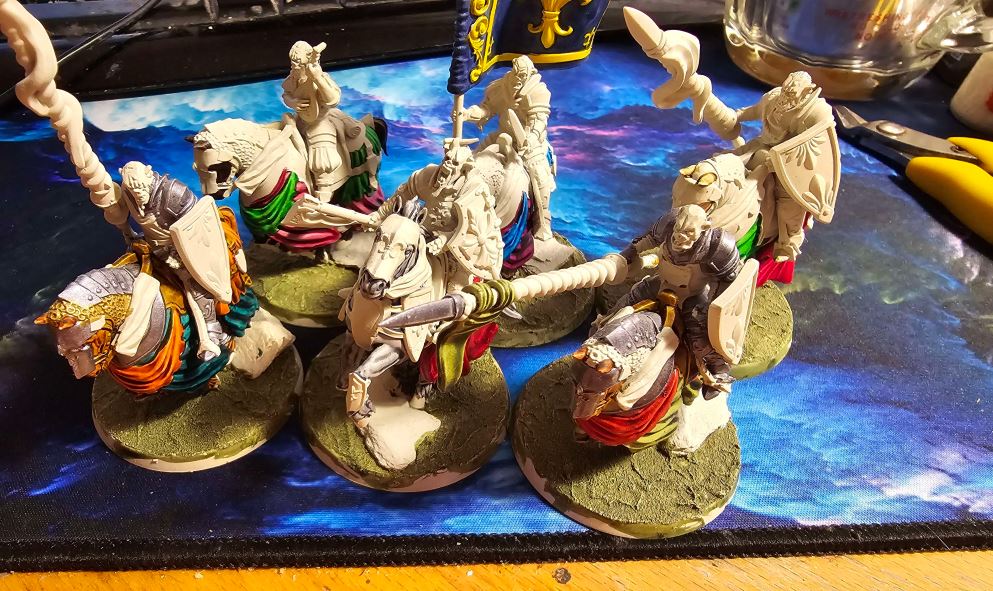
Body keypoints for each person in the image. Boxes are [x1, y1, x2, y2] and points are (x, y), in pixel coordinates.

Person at [615, 204, 742, 399]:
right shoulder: (668, 222)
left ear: (704, 229)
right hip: (661, 283)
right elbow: (648, 239)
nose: (680, 236)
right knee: (626, 303)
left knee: (701, 338)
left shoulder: (718, 246)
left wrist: (713, 307)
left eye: (688, 232)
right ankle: (602, 332)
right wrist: (629, 254)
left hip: (692, 294)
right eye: (678, 229)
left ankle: (718, 372)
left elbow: (729, 278)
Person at [460, 56, 556, 241]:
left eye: (522, 75)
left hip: (529, 143)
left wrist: (531, 137)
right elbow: (486, 109)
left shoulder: (538, 91)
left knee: (538, 173)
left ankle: (543, 218)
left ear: (530, 74)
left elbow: (539, 121)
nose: (518, 79)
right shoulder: (503, 86)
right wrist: (468, 114)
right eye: (516, 73)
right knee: (471, 160)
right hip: (503, 135)